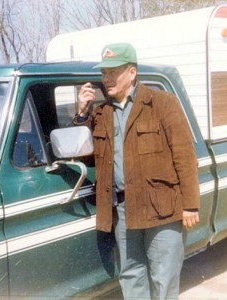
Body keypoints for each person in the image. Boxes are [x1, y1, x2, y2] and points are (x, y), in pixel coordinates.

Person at [73, 42, 200, 300]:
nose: (106, 78)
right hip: (122, 209)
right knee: (131, 275)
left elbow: (185, 156)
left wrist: (191, 205)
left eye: (113, 71)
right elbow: (86, 156)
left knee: (163, 278)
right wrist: (81, 114)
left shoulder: (162, 103)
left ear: (132, 72)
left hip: (162, 210)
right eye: (103, 73)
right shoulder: (101, 113)